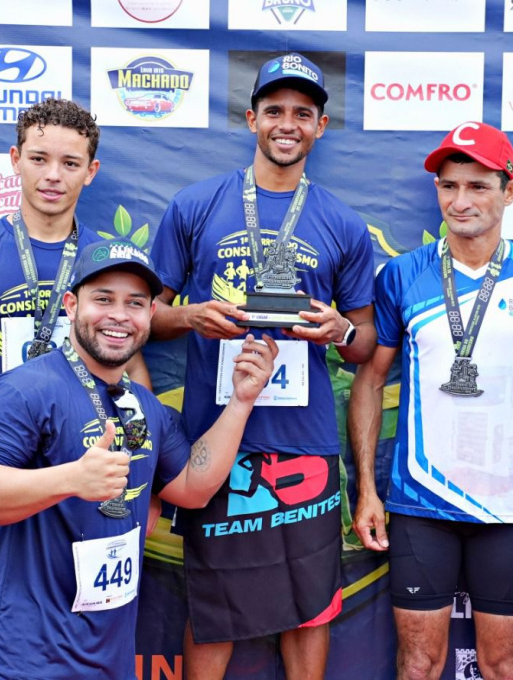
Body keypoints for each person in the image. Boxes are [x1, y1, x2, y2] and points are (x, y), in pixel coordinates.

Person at [0, 242, 277, 680]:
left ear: (149, 316)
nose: (119, 315)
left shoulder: (139, 405)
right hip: (22, 657)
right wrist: (70, 479)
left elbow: (192, 488)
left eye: (136, 304)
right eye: (103, 299)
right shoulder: (26, 389)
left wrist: (241, 402)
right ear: (71, 305)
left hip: (106, 657)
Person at [149, 52, 376, 679]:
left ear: (320, 127)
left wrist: (341, 328)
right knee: (215, 605)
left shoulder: (342, 224)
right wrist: (193, 315)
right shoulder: (195, 207)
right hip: (216, 441)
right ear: (251, 119)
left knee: (311, 606)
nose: (288, 123)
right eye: (274, 110)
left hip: (303, 442)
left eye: (303, 113)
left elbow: (364, 344)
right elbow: (147, 316)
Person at [349, 121, 513, 680]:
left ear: (510, 191)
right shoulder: (402, 276)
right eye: (449, 186)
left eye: (478, 186)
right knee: (421, 662)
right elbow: (369, 381)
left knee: (504, 665)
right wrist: (367, 489)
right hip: (420, 504)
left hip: (510, 507)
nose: (461, 200)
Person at [0, 98, 149, 617]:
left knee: (80, 643)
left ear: (92, 171)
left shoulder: (108, 260)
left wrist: (139, 467)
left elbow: (127, 368)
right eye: (39, 159)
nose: (53, 176)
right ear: (15, 158)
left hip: (85, 478)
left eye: (70, 163)